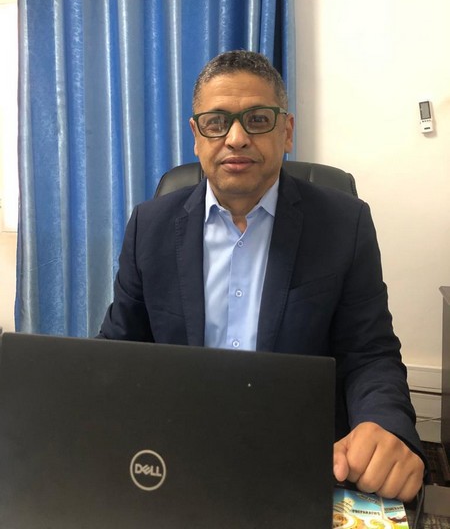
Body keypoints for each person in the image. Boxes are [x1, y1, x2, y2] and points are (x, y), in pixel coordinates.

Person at [99, 50, 425, 501]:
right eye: (216, 122)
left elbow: (369, 354)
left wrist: (384, 424)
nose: (235, 138)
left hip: (304, 460)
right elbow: (117, 351)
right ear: (196, 137)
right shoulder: (150, 226)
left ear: (286, 132)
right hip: (175, 458)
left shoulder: (343, 224)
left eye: (256, 119)